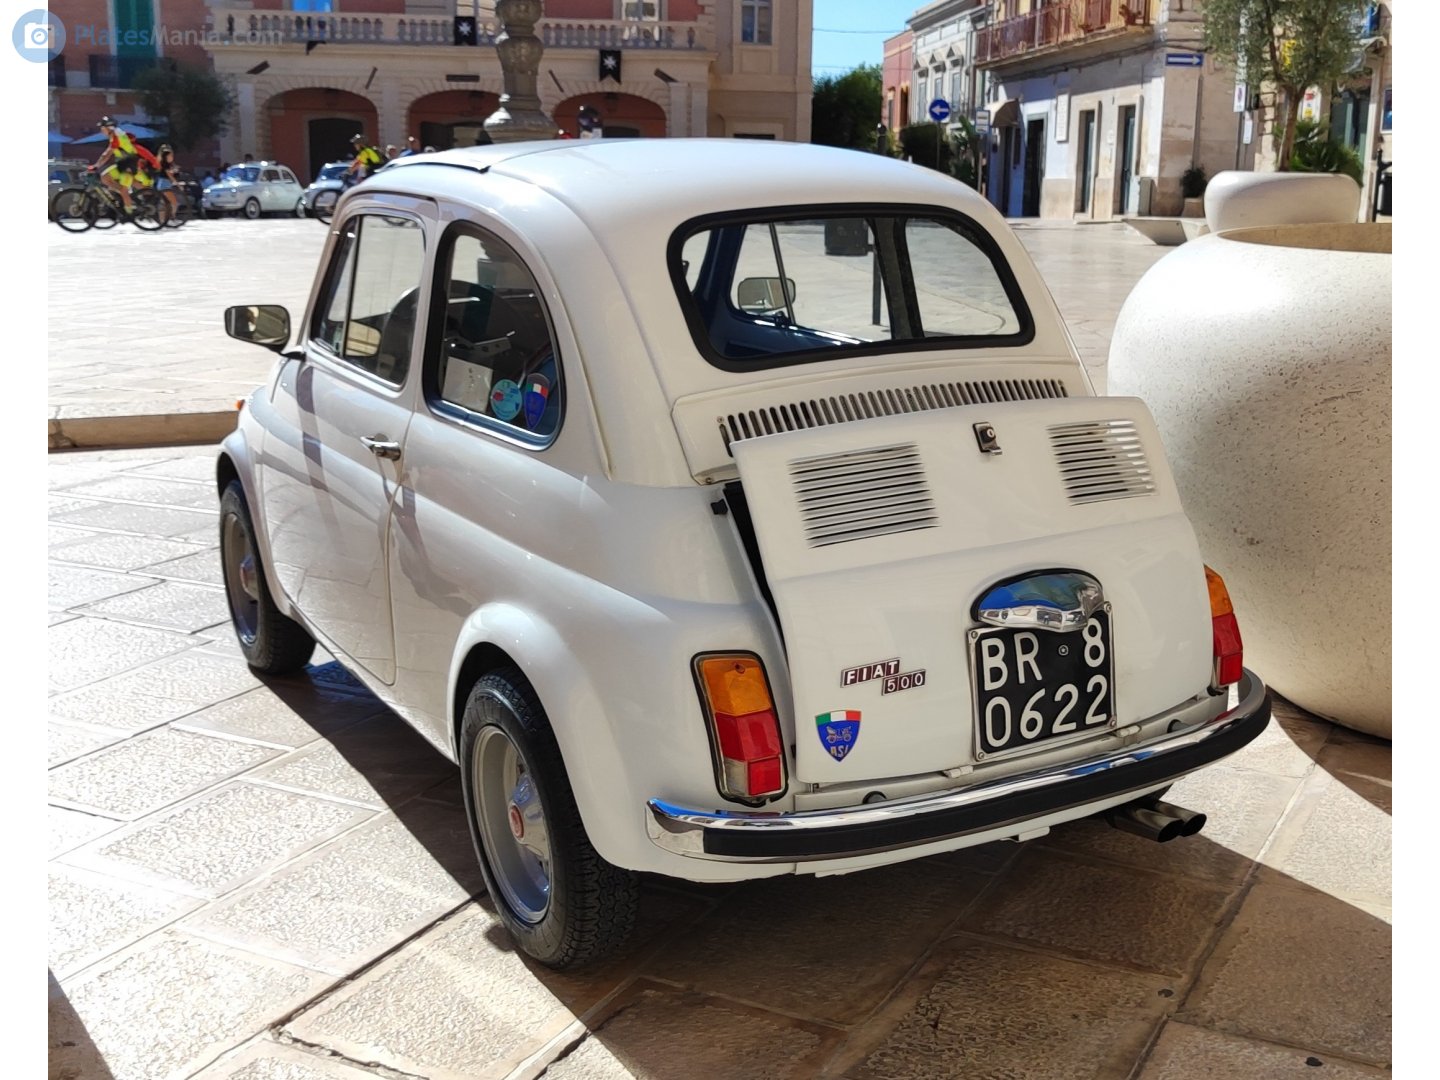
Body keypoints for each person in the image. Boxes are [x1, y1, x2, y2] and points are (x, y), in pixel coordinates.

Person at [89, 116, 143, 214]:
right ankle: (125, 197)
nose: (101, 131)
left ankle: (129, 213)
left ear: (109, 128)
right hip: (123, 163)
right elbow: (108, 153)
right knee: (105, 178)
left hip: (128, 164)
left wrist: (96, 165)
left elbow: (107, 154)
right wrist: (98, 164)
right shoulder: (116, 134)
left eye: (102, 128)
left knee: (123, 190)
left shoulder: (116, 136)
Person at [154, 144, 180, 216]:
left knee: (165, 203)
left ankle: (164, 218)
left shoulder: (167, 164)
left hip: (164, 184)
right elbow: (169, 176)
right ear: (166, 157)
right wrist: (178, 185)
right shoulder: (165, 165)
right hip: (164, 185)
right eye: (171, 156)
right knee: (174, 202)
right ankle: (172, 216)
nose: (172, 157)